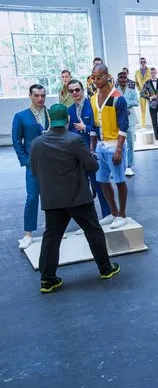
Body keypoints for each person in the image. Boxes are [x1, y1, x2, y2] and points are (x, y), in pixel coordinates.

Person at [29, 103, 121, 294]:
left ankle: (47, 280)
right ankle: (105, 269)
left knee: (51, 238)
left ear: (50, 118)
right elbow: (92, 167)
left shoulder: (36, 143)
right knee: (93, 231)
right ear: (67, 119)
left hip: (52, 200)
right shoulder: (74, 140)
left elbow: (35, 170)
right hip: (78, 198)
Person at [90, 63, 130, 230]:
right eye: (93, 78)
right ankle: (113, 212)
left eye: (99, 77)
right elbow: (93, 125)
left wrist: (119, 149)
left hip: (115, 145)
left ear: (107, 77)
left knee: (119, 181)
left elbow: (123, 125)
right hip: (100, 146)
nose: (96, 81)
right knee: (102, 181)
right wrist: (92, 148)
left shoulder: (117, 98)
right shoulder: (93, 98)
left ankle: (122, 214)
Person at [12, 84, 50, 249]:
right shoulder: (21, 116)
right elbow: (16, 141)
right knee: (33, 197)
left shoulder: (50, 113)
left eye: (42, 95)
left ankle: (54, 230)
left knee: (52, 197)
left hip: (52, 163)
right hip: (33, 164)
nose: (40, 99)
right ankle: (28, 233)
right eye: (36, 95)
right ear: (30, 96)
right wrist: (26, 161)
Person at [66, 79, 110, 221]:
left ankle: (108, 215)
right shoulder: (69, 111)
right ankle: (90, 220)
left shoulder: (93, 106)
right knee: (83, 190)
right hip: (78, 157)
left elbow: (101, 128)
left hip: (94, 153)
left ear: (82, 90)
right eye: (71, 91)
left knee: (100, 184)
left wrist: (85, 128)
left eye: (77, 90)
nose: (75, 93)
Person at [115, 71, 140, 176]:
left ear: (127, 79)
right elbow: (113, 103)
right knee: (118, 144)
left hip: (130, 120)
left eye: (125, 78)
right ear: (118, 79)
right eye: (121, 77)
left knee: (130, 144)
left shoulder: (132, 91)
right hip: (118, 120)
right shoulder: (114, 92)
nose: (123, 79)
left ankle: (129, 166)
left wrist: (123, 104)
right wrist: (124, 105)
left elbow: (136, 102)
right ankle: (119, 165)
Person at [135, 57, 151, 129]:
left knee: (152, 108)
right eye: (141, 62)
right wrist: (139, 90)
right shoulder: (137, 72)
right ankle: (143, 127)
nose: (143, 63)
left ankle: (154, 125)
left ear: (146, 62)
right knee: (143, 111)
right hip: (142, 93)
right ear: (139, 63)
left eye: (144, 62)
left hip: (150, 93)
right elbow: (136, 83)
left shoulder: (150, 71)